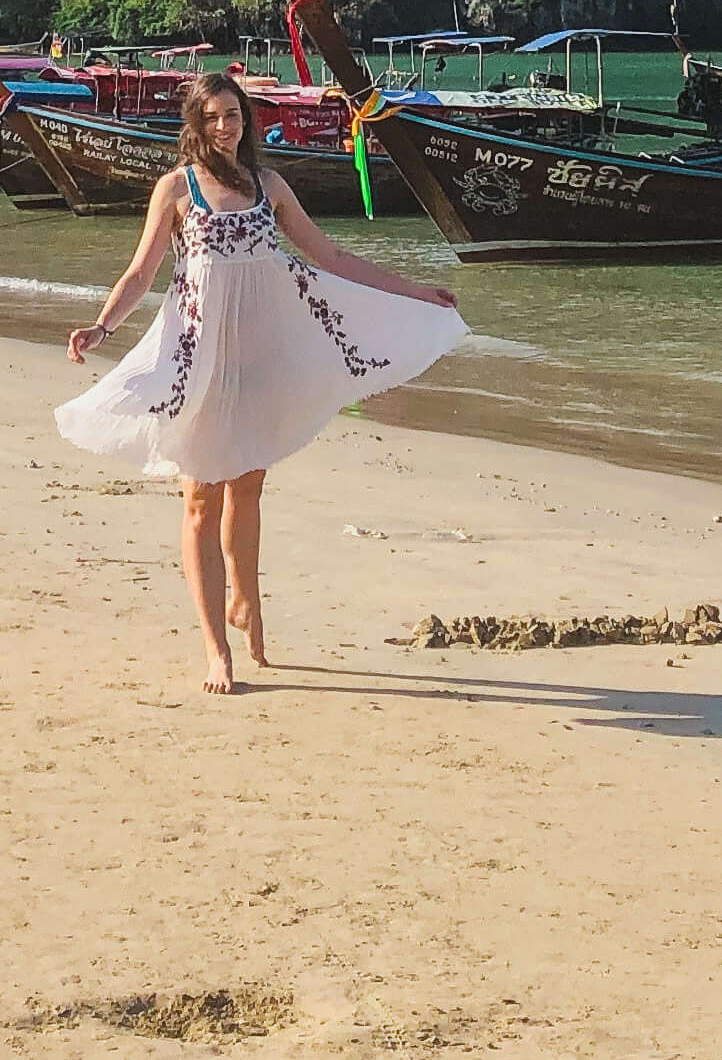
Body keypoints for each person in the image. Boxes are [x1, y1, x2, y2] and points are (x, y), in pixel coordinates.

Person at [56, 71, 465, 694]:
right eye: (215, 116)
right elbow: (141, 272)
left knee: (247, 490)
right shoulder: (177, 190)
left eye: (235, 115)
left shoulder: (268, 186)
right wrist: (102, 326)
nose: (227, 126)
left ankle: (244, 600)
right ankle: (216, 648)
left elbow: (330, 259)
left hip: (262, 358)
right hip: (199, 361)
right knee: (200, 499)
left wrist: (415, 293)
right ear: (196, 123)